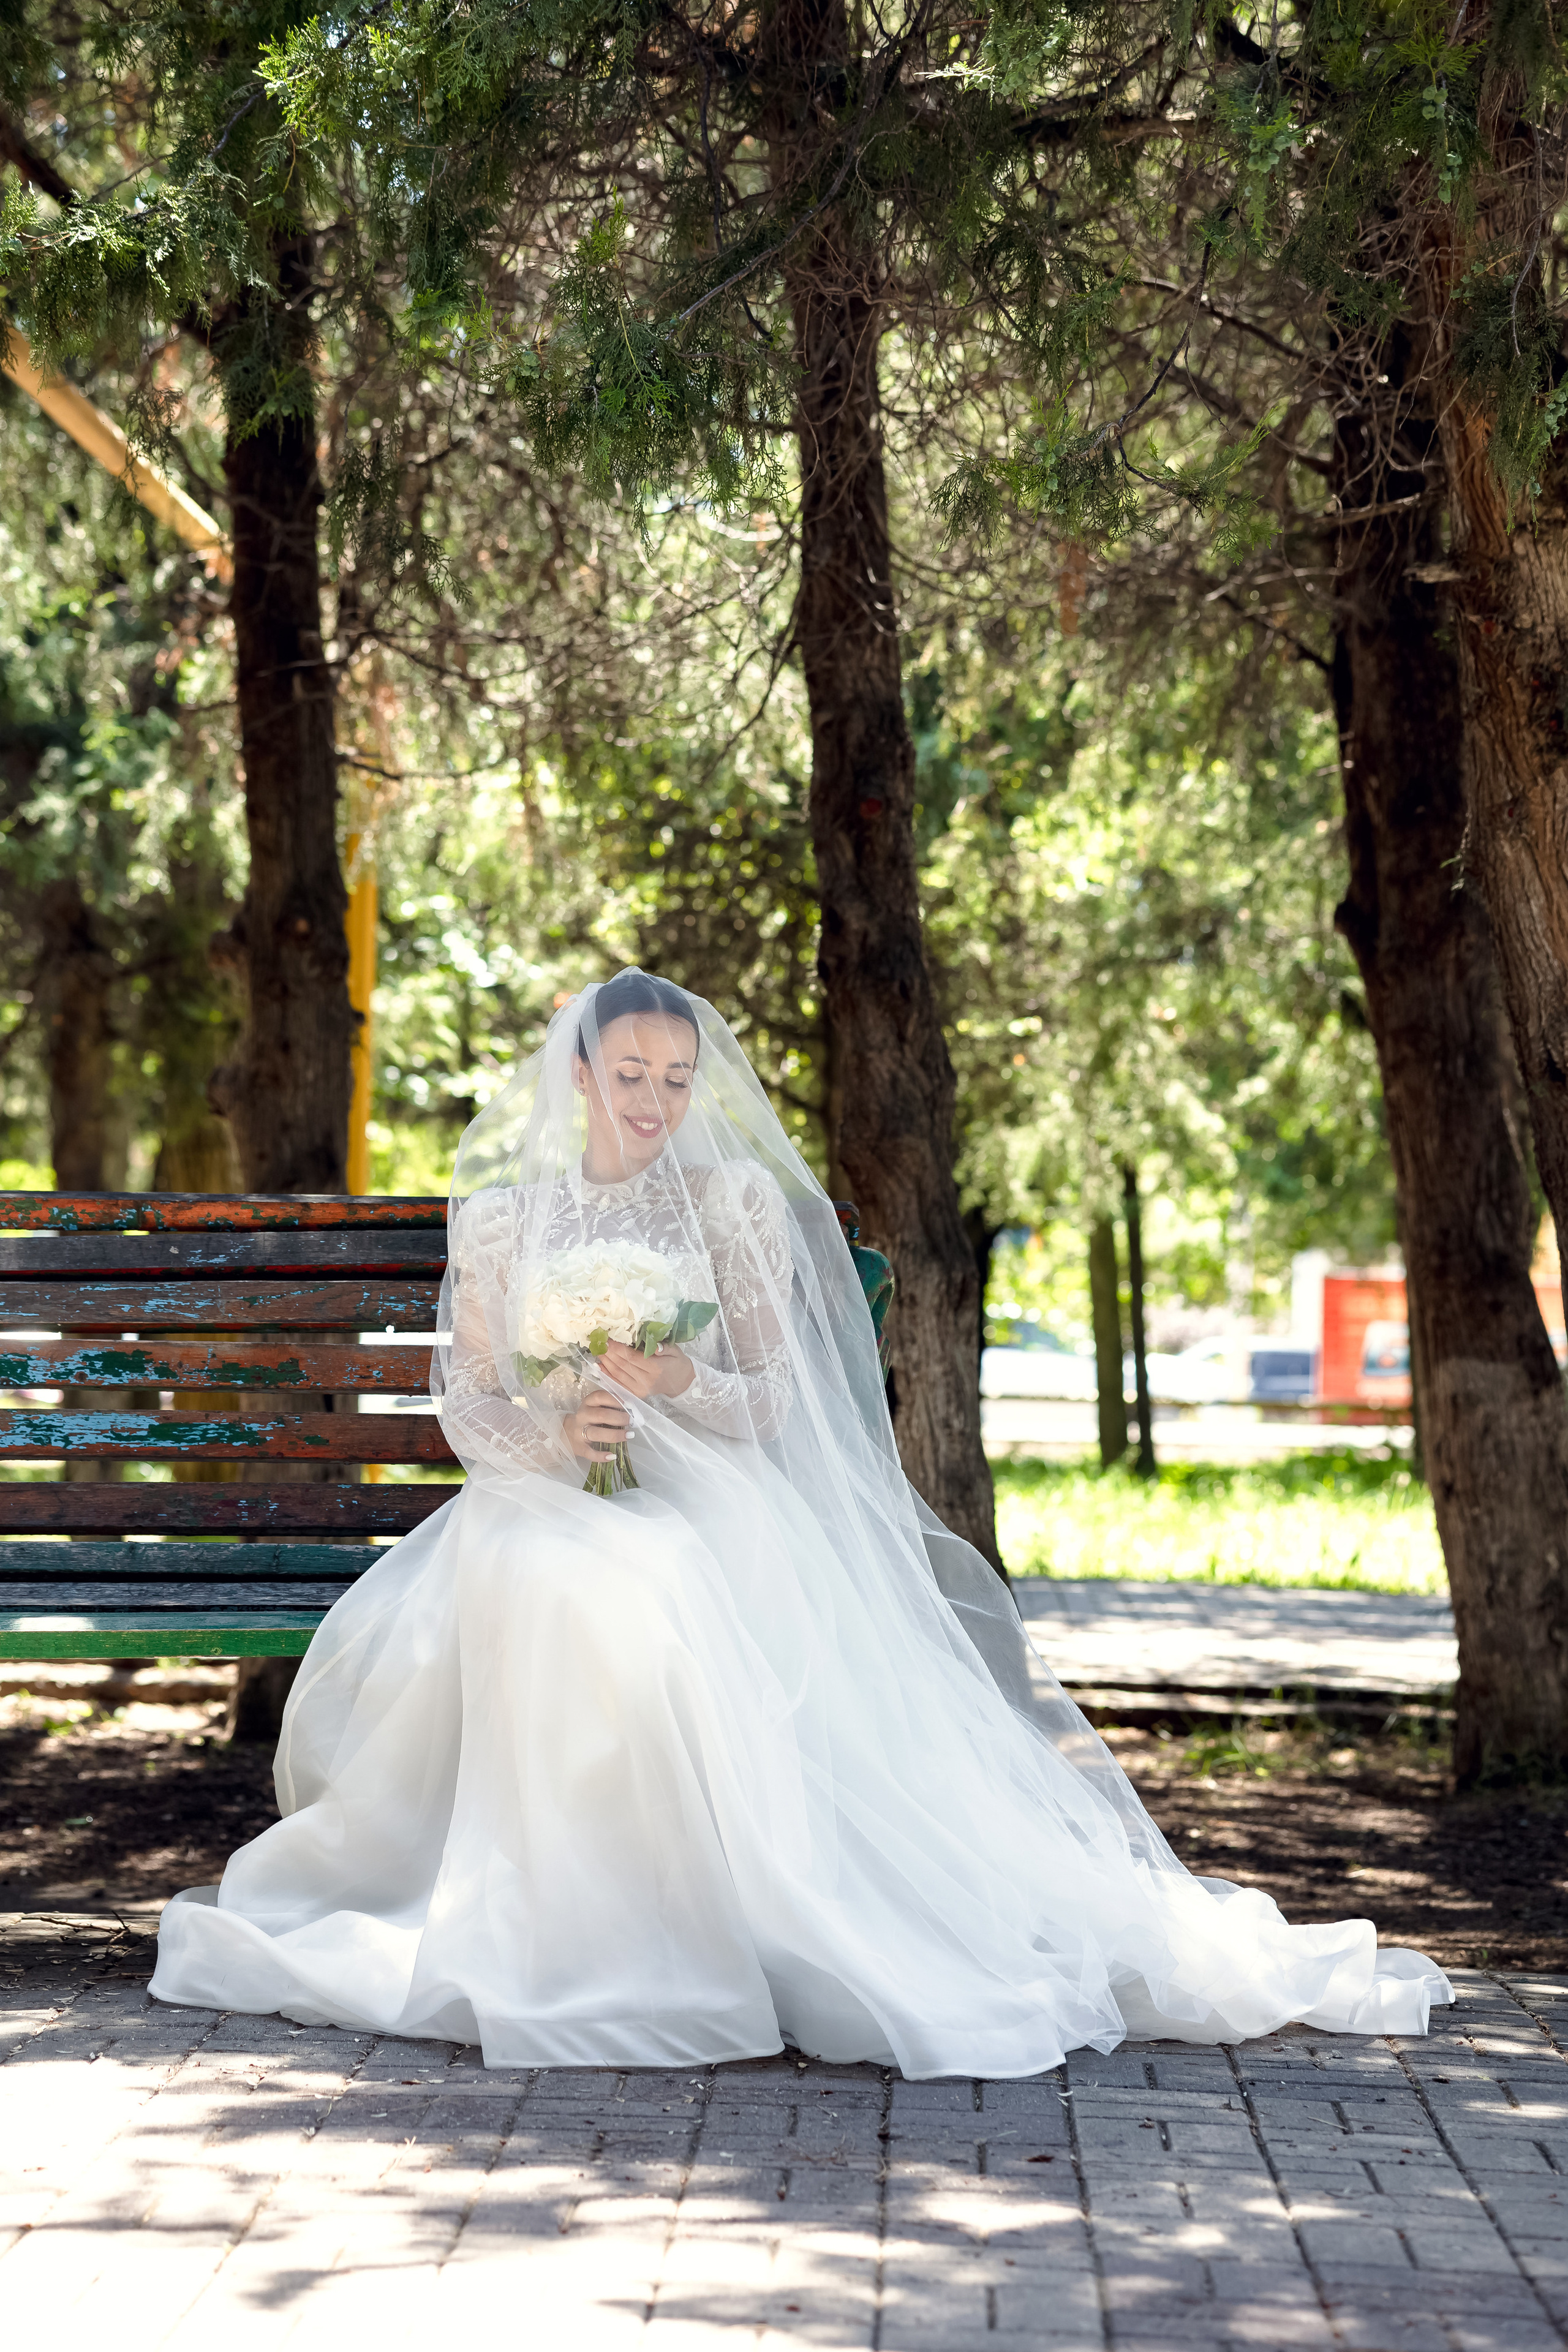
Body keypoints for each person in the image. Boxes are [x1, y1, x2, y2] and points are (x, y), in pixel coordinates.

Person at [152, 970, 1450, 2075]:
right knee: (551, 1564)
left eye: (676, 1078)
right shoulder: (503, 1220)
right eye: (630, 1075)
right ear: (580, 1077)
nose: (654, 1102)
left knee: (642, 1579)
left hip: (709, 1500)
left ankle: (690, 1923)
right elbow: (468, 1400)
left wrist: (675, 1382)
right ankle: (563, 1923)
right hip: (543, 1495)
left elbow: (773, 1399)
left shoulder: (729, 1209)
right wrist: (557, 1436)